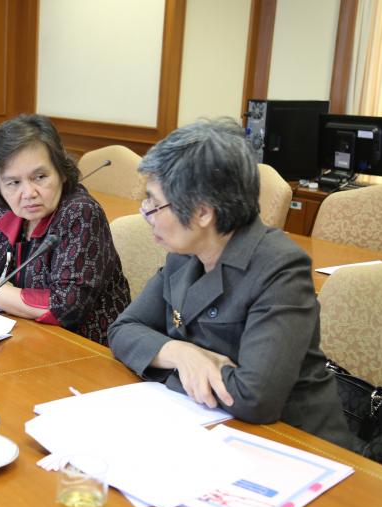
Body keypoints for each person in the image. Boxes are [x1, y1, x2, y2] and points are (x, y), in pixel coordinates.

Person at [108, 118, 359, 451]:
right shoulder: (186, 254)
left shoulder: (280, 267)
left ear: (202, 213)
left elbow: (254, 398)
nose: (147, 214)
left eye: (156, 204)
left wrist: (162, 363)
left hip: (293, 443)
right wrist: (183, 355)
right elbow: (123, 329)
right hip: (210, 425)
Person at [0, 114, 130, 346]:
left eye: (39, 177)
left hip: (82, 349)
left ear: (61, 172)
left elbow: (65, 308)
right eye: (13, 182)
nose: (28, 193)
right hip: (21, 338)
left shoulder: (80, 213)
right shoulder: (3, 209)